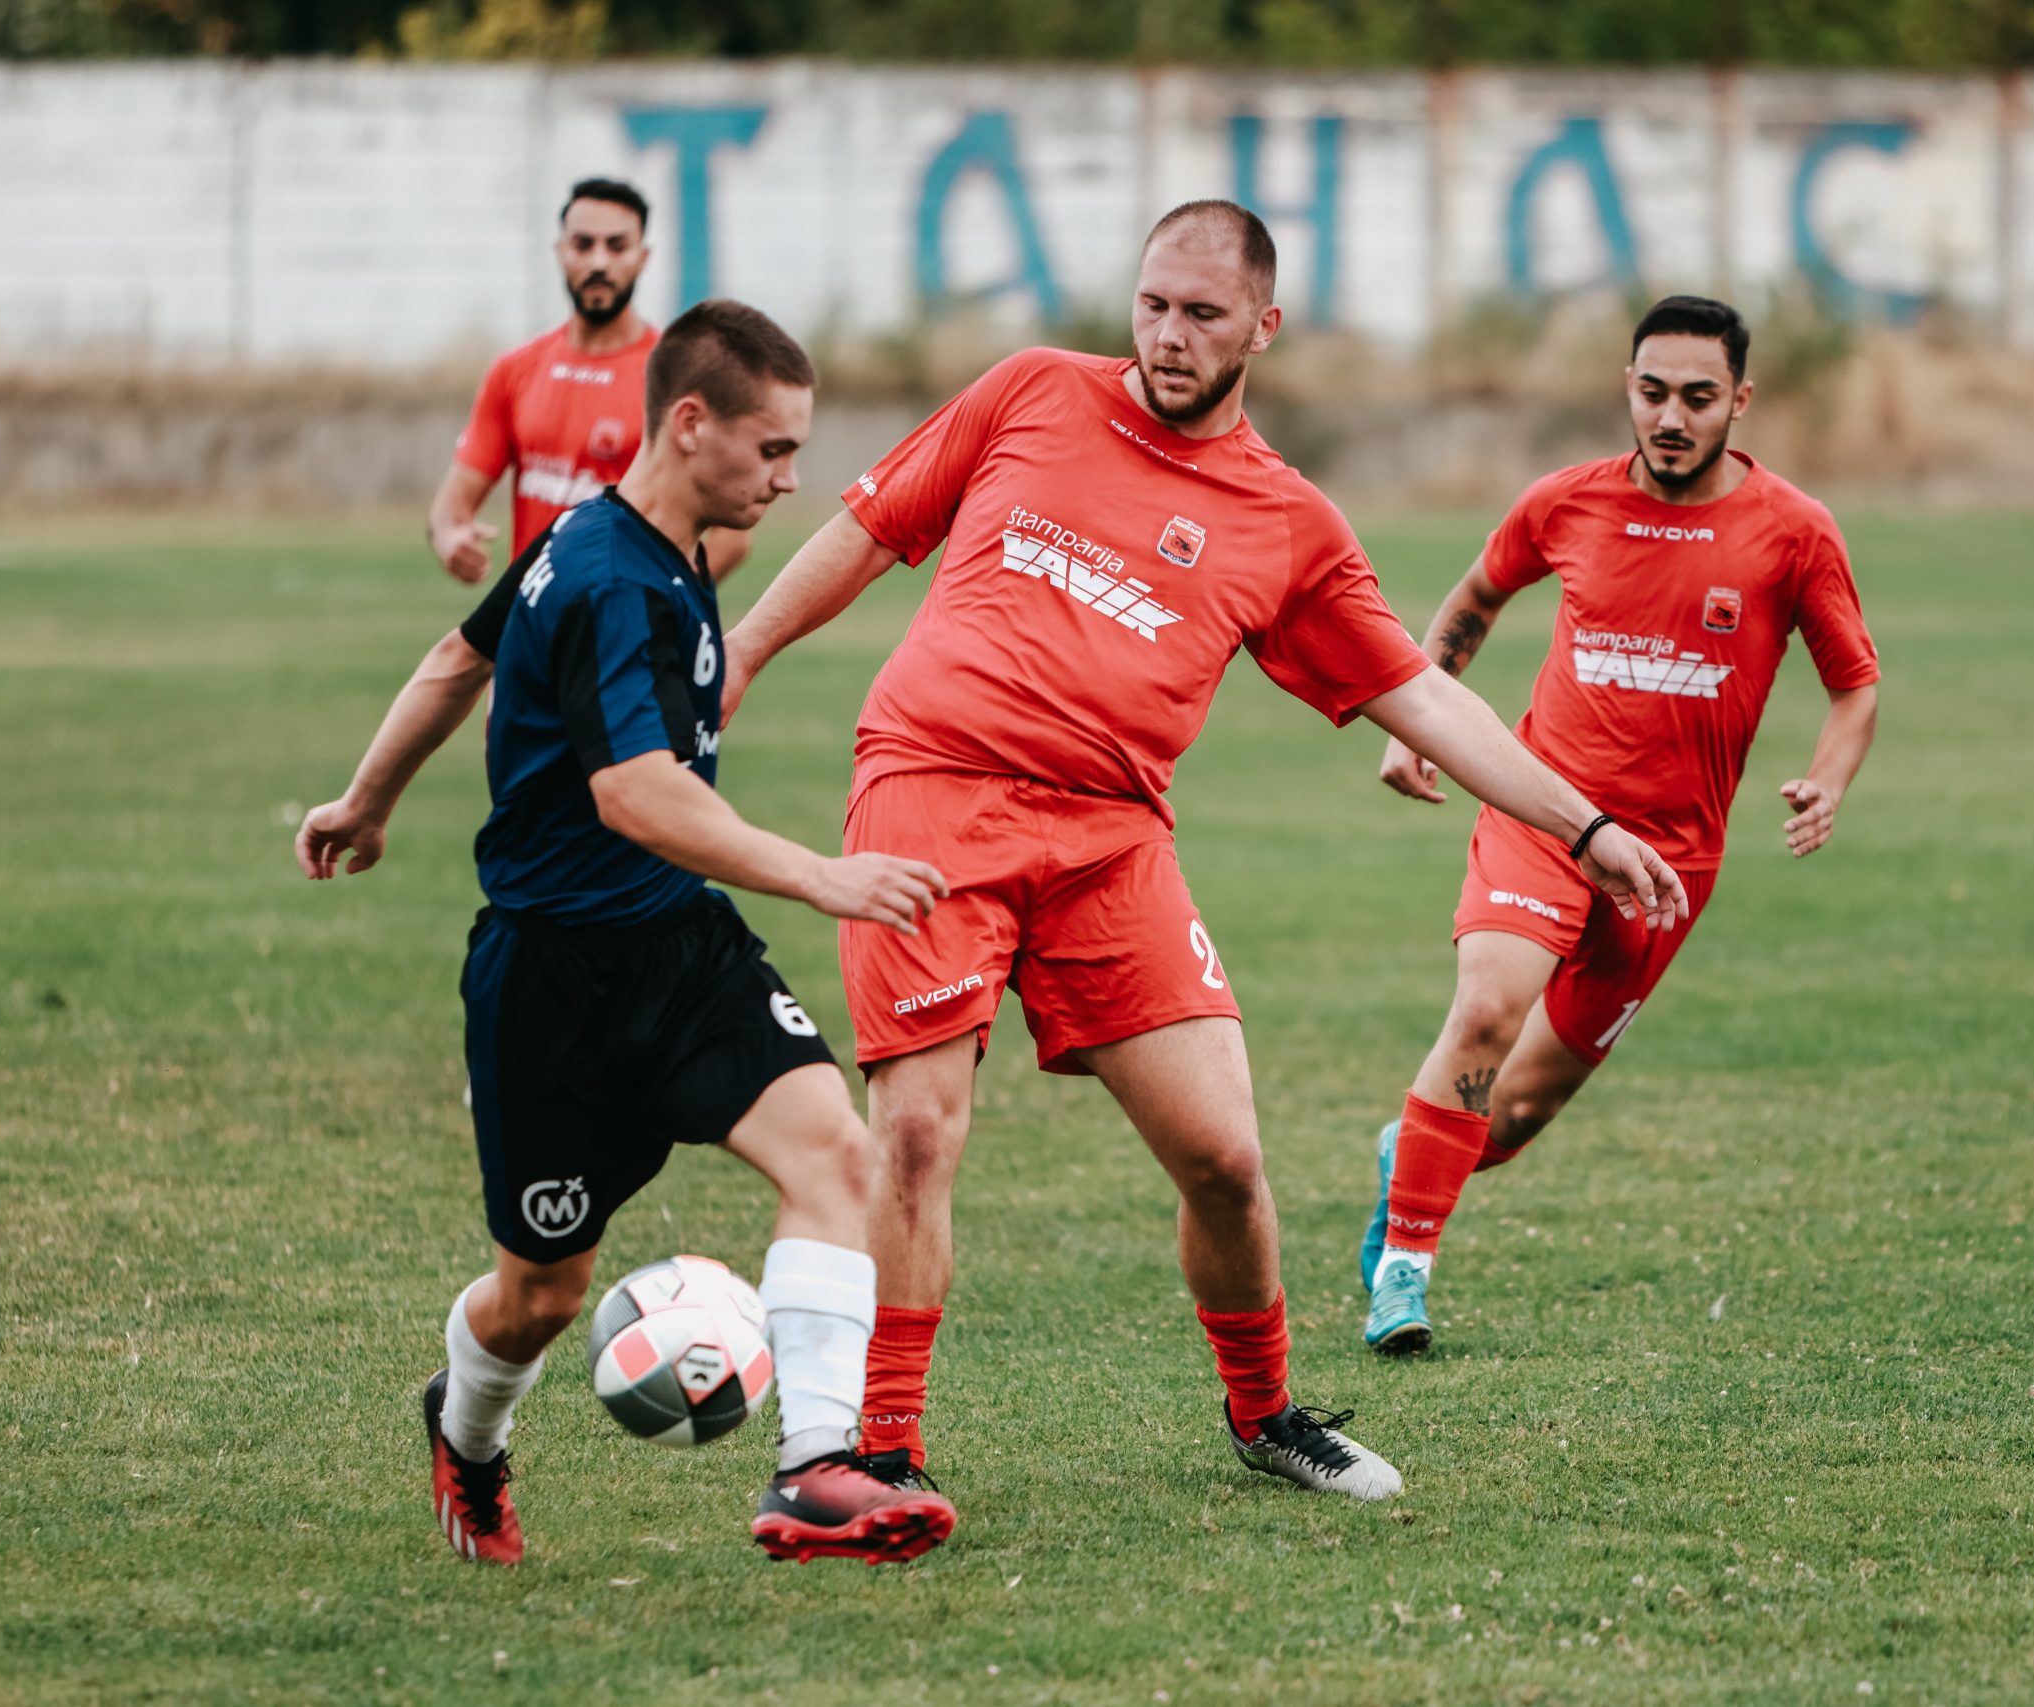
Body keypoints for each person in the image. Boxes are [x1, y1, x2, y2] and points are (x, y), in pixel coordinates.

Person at [719, 201, 1689, 1503]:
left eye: (1203, 315)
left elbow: (1421, 694)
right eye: (1153, 306)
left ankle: (1266, 1412)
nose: (1169, 336)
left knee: (1225, 1161)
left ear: (1263, 327)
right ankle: (883, 1447)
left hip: (1110, 840)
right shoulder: (1029, 391)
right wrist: (737, 655)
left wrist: (1585, 824)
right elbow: (870, 527)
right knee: (915, 1136)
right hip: (932, 794)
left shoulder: (1283, 519)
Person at [297, 300, 954, 1564]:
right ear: (690, 423)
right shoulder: (606, 577)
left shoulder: (640, 542)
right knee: (539, 1296)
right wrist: (819, 876)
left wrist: (366, 801)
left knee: (837, 1154)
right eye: (772, 448)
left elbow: (459, 657)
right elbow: (634, 794)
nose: (789, 477)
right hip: (552, 987)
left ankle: (816, 1470)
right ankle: (467, 1434)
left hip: (679, 951)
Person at [1354, 295, 1882, 1357]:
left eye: (1697, 397)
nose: (1671, 418)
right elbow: (1476, 595)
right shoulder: (1565, 502)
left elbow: (1854, 685)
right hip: (1541, 813)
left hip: (1668, 868)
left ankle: (1410, 1153)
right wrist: (1421, 720)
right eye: (1652, 393)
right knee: (1486, 1011)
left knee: (1510, 1116)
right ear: (1626, 390)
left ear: (1740, 400)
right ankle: (1403, 1274)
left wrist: (1827, 781)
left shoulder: (1794, 532)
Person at [427, 177, 752, 589]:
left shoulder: (678, 378)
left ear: (642, 257)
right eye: (583, 245)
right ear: (561, 252)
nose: (599, 262)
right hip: (529, 621)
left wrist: (647, 604)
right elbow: (450, 511)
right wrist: (451, 538)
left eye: (617, 246)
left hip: (624, 623)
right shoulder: (515, 369)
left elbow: (731, 539)